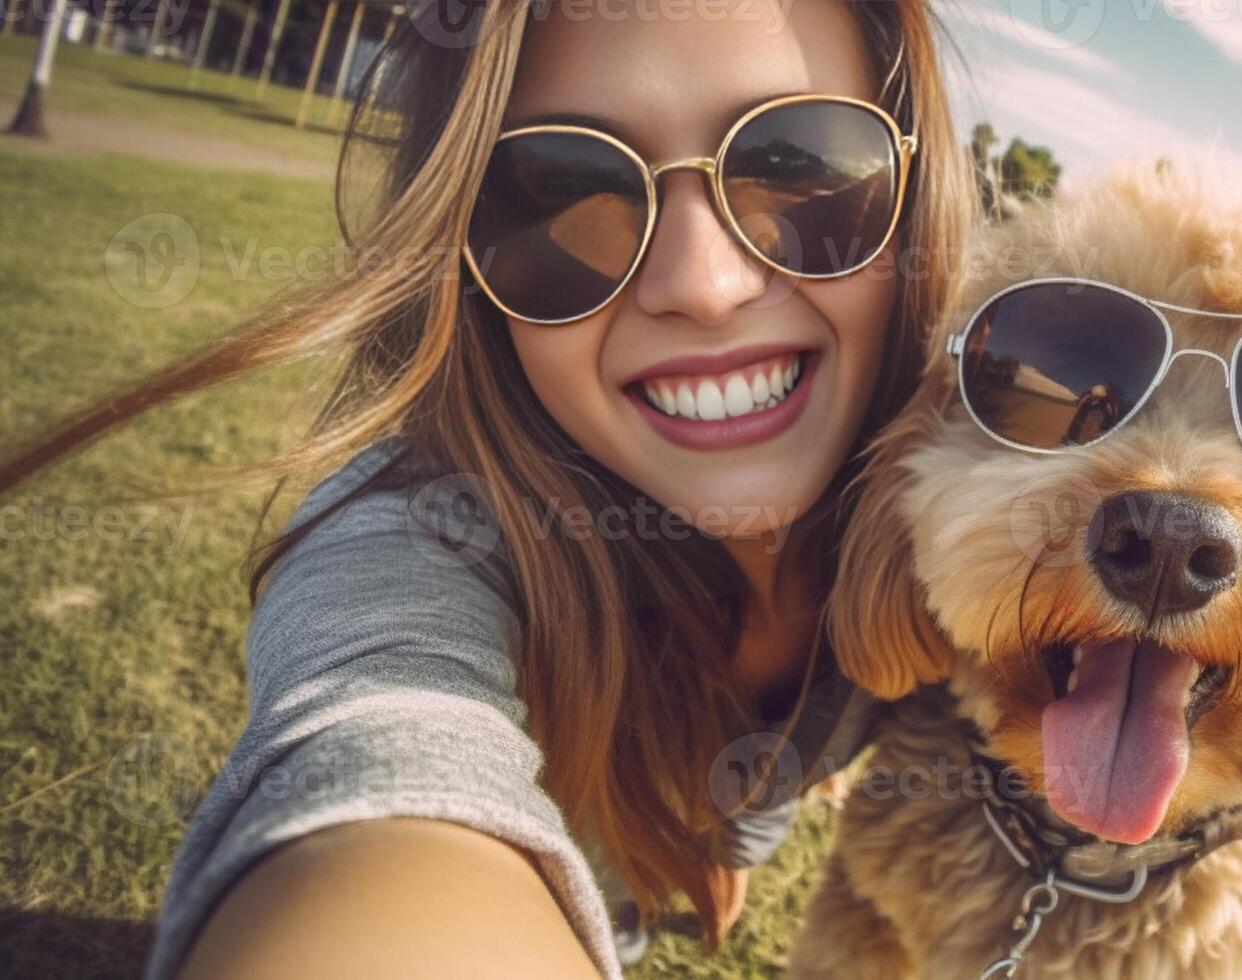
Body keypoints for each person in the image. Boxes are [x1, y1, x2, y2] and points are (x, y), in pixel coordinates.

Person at [0, 2, 971, 977]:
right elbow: (388, 743)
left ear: (917, 191)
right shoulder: (422, 532)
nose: (702, 282)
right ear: (463, 261)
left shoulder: (976, 501)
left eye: (796, 165)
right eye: (558, 191)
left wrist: (736, 842)